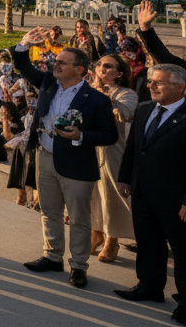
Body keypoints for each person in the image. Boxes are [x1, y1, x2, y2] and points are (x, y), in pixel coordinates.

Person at [11, 30, 118, 288]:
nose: (54, 65)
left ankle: (79, 266)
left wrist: (81, 135)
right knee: (49, 212)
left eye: (61, 63)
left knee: (80, 218)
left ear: (80, 70)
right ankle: (52, 256)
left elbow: (109, 134)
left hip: (77, 164)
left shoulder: (96, 100)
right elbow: (22, 65)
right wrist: (24, 44)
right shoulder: (48, 82)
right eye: (55, 61)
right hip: (45, 156)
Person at [114, 64, 186, 321]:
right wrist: (124, 178)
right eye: (151, 81)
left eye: (158, 83)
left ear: (180, 87)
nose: (150, 86)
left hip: (175, 199)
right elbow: (133, 148)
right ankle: (150, 287)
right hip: (143, 192)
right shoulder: (144, 109)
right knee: (148, 243)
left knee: (182, 251)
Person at [88, 53, 136, 263]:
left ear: (119, 73)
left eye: (108, 66)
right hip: (89, 145)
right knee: (91, 193)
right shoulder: (87, 89)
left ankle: (112, 238)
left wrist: (101, 94)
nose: (102, 69)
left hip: (114, 148)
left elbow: (123, 114)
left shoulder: (127, 93)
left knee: (111, 193)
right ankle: (96, 231)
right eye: (99, 65)